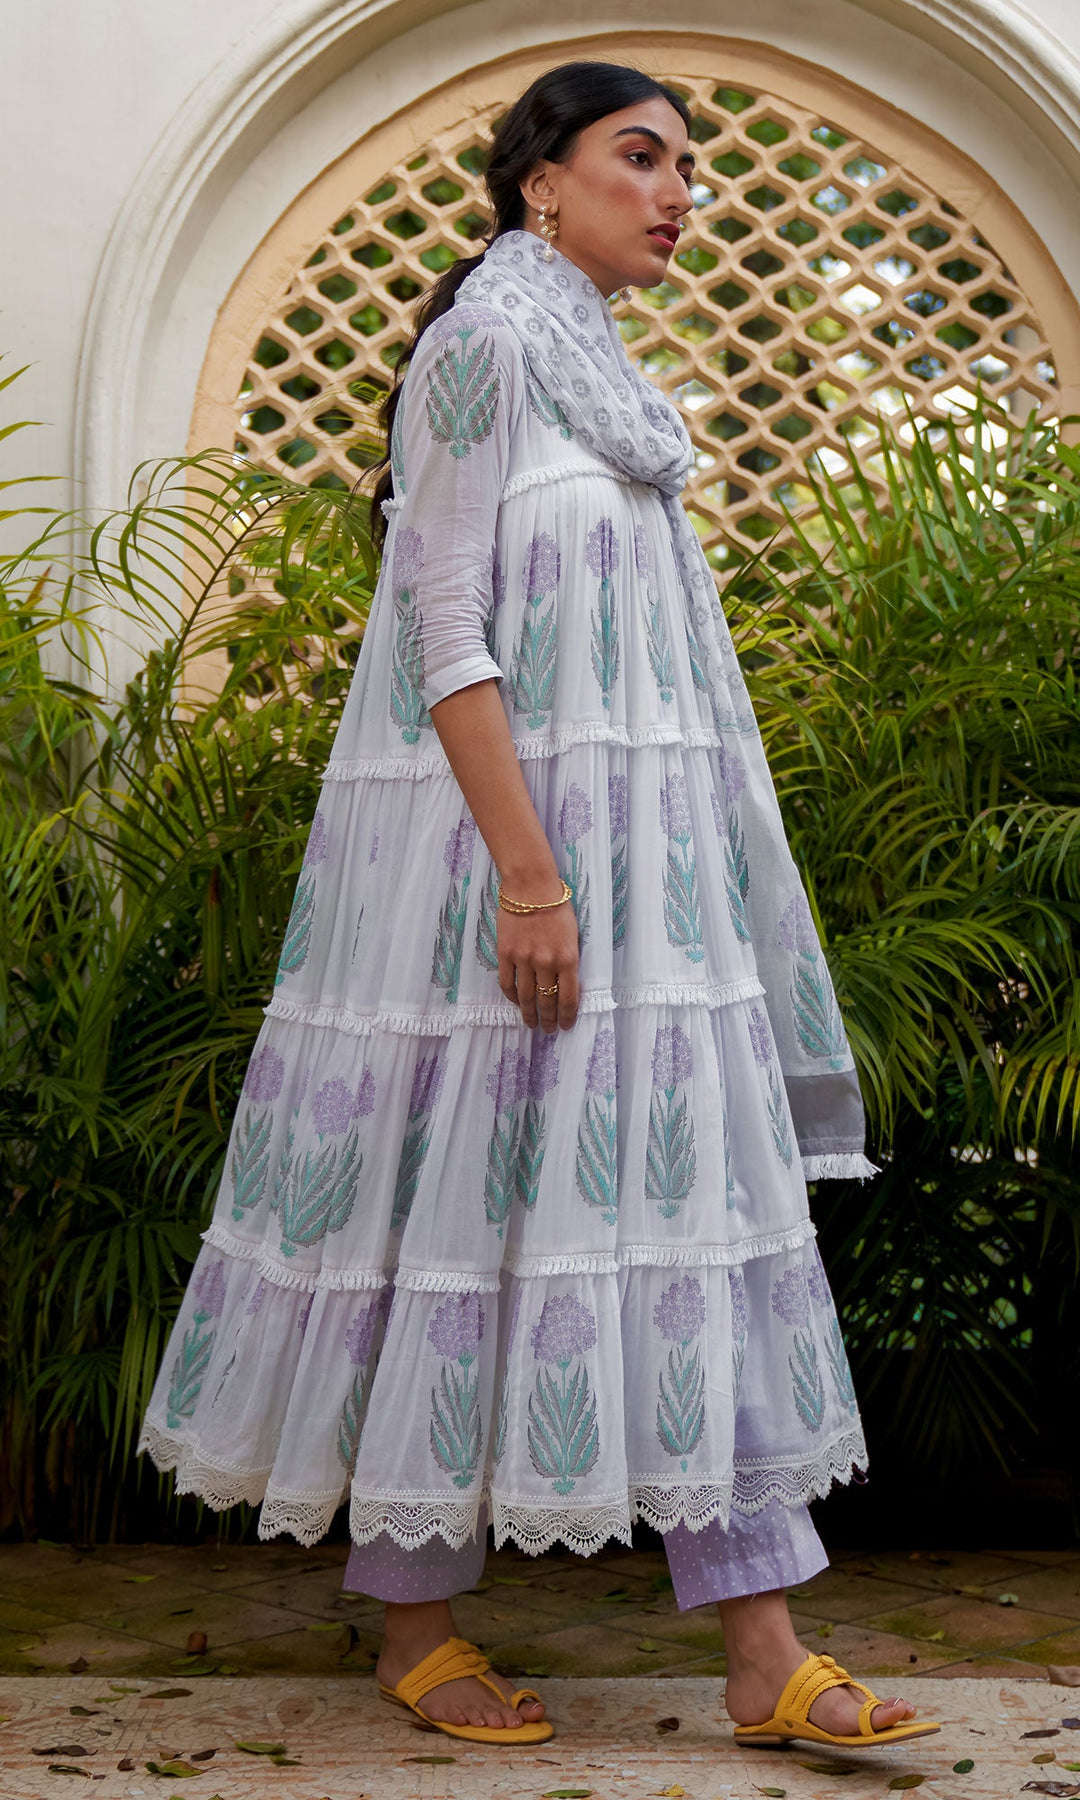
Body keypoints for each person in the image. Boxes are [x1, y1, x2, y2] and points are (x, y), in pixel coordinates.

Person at [139, 60, 939, 1752]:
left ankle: (764, 1652)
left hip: (650, 903)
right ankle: (415, 1623)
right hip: (503, 884)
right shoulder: (483, 349)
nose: (678, 193)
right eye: (640, 157)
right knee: (462, 1214)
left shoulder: (614, 381)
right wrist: (529, 879)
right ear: (540, 182)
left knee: (676, 1219)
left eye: (686, 166)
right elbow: (447, 633)